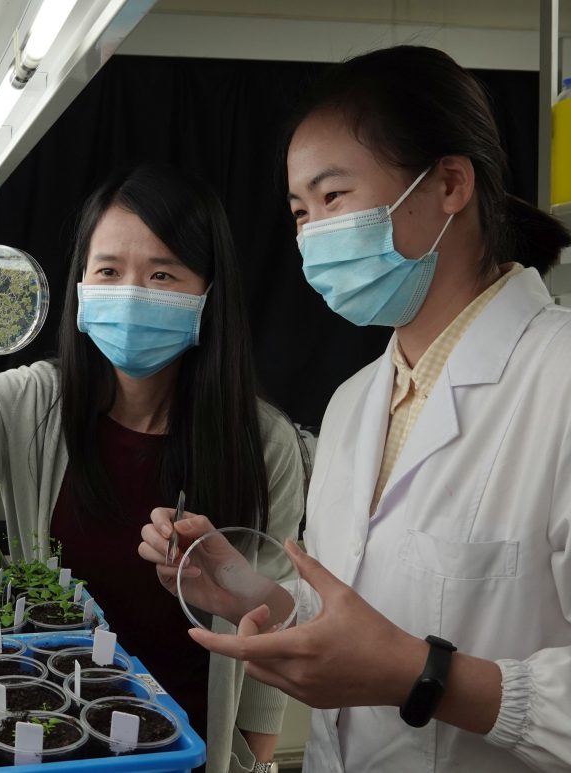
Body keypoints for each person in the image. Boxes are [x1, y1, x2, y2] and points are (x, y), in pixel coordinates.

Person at [139, 46, 571, 771]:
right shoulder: (354, 404)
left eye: (333, 198)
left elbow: (397, 656)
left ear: (450, 183)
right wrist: (253, 592)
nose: (312, 237)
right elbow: (360, 622)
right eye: (300, 212)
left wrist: (424, 676)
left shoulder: (557, 379)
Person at [0, 163, 307, 773]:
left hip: (189, 745)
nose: (132, 291)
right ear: (82, 287)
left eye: (162, 273)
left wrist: (253, 760)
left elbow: (269, 622)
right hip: (55, 734)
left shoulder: (262, 440)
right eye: (109, 271)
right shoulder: (33, 403)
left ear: (208, 293)